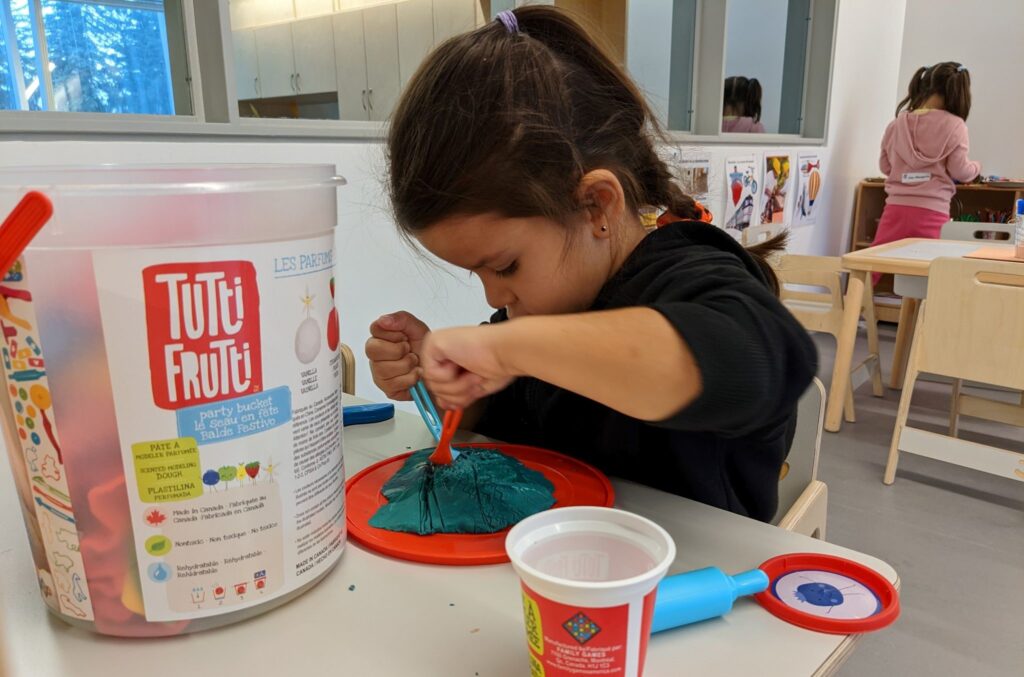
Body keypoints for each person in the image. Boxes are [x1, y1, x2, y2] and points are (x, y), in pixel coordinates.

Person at [366, 7, 816, 521]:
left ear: (596, 206)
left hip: (694, 565)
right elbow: (509, 415)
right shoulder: (545, 310)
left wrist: (506, 350)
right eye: (477, 273)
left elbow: (762, 359)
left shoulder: (688, 271)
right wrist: (449, 385)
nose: (495, 297)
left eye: (505, 266)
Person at [872, 62, 980, 254]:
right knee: (930, 264)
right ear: (958, 94)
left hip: (895, 208)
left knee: (877, 260)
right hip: (933, 211)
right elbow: (960, 171)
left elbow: (885, 166)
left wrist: (906, 172)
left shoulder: (896, 125)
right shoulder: (956, 126)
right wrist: (976, 167)